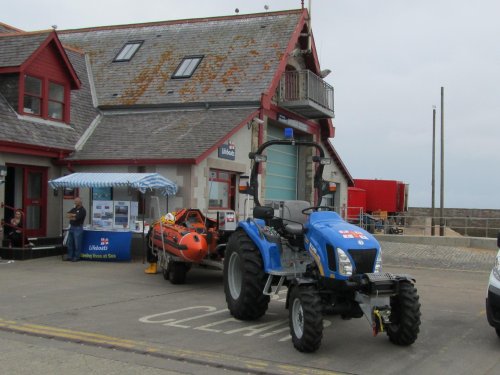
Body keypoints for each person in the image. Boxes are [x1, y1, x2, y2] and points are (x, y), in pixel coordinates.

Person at [66, 197, 86, 262]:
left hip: (78, 228)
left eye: (76, 201)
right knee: (69, 243)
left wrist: (73, 216)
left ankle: (77, 257)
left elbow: (76, 218)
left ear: (80, 202)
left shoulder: (83, 210)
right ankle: (70, 256)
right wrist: (73, 215)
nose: (74, 202)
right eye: (74, 201)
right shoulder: (74, 209)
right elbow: (67, 215)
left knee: (77, 244)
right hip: (71, 227)